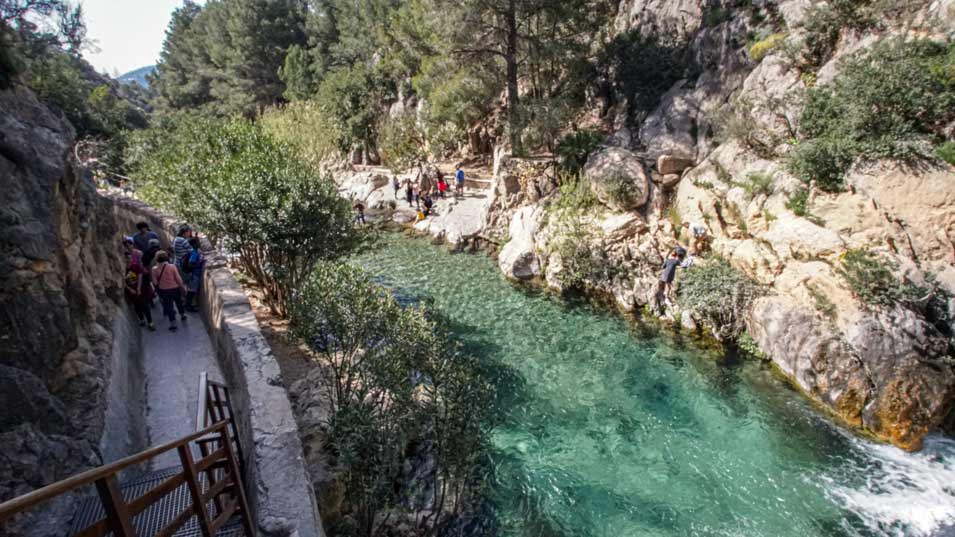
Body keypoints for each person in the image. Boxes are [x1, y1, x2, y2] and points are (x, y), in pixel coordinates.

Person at [152, 251, 187, 330]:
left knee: (169, 306)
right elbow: (177, 278)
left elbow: (155, 282)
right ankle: (182, 315)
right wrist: (182, 287)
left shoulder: (154, 269)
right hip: (175, 288)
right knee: (178, 302)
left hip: (164, 290)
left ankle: (173, 323)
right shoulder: (172, 266)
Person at [125, 264, 155, 331]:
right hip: (133, 293)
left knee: (146, 306)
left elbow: (141, 276)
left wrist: (139, 288)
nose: (128, 260)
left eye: (129, 258)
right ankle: (142, 319)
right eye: (126, 258)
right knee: (137, 307)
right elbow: (122, 281)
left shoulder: (136, 266)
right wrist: (130, 289)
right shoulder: (123, 269)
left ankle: (150, 322)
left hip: (142, 291)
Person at [183, 237, 205, 312]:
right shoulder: (194, 253)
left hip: (193, 274)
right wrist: (200, 263)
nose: (199, 243)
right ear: (194, 244)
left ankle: (187, 304)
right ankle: (188, 306)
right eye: (198, 242)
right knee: (191, 291)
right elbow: (190, 264)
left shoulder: (194, 251)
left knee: (191, 290)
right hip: (194, 275)